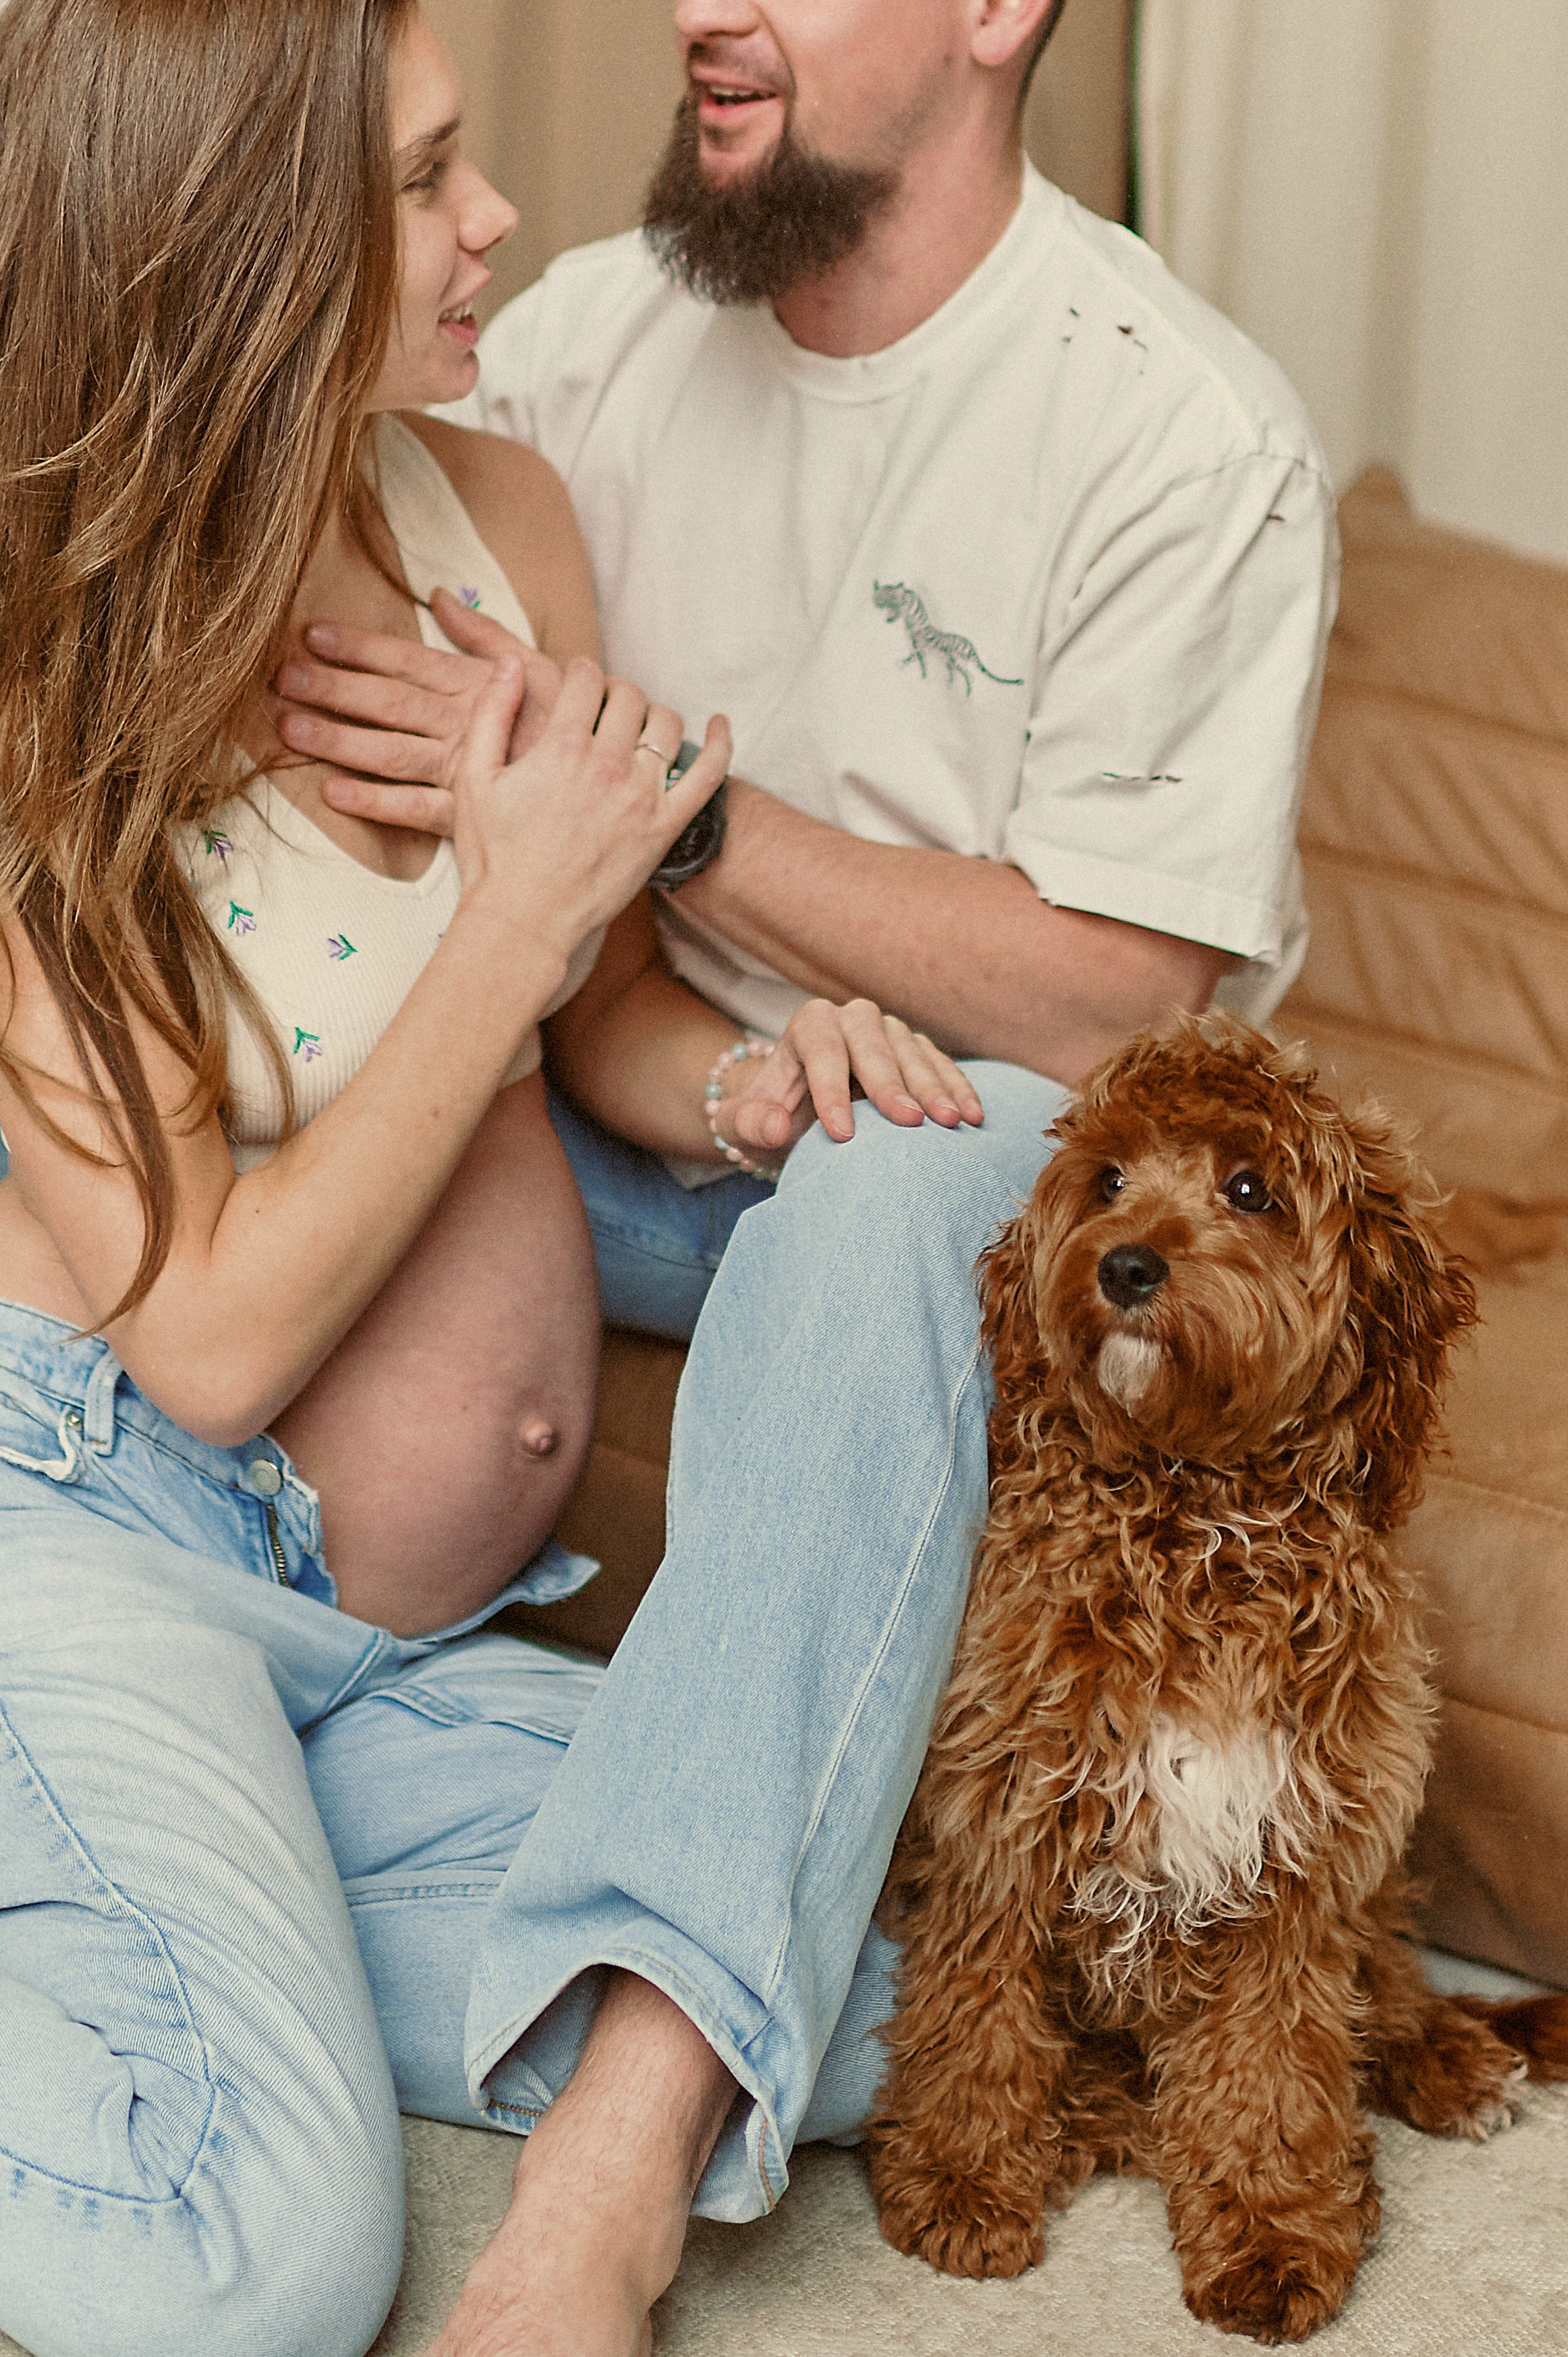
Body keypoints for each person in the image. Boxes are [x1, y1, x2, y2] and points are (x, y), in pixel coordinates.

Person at [0, 6, 1045, 2357]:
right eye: (420, 179)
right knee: (246, 2266)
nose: (495, 225)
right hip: (85, 1534)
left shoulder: (501, 519)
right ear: (231, 249)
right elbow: (216, 1335)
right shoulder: (31, 668)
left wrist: (756, 1097)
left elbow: (594, 1038)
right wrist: (521, 894)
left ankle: (123, 1890)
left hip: (383, 1647)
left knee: (904, 1987)